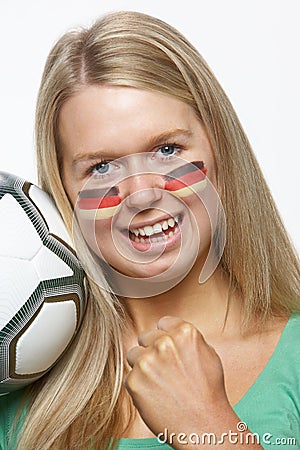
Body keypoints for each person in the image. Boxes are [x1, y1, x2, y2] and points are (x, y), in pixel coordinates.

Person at [0, 10, 299, 450]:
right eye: (100, 166)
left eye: (167, 149)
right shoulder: (20, 364)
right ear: (63, 188)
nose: (141, 195)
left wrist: (211, 429)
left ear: (219, 148)